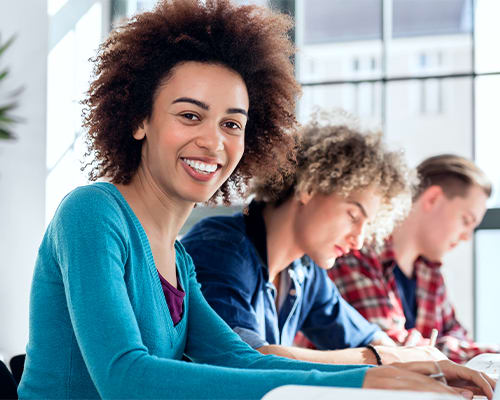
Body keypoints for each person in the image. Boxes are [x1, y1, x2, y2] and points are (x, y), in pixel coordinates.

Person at [18, 0, 495, 397]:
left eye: (232, 124)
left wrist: (386, 376)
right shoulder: (93, 213)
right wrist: (372, 378)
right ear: (139, 120)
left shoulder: (178, 258)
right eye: (189, 116)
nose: (213, 142)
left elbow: (237, 357)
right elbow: (126, 378)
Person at [183, 113, 441, 366]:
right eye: (353, 215)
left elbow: (368, 337)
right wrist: (383, 358)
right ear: (309, 187)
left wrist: (407, 355)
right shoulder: (220, 248)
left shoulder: (304, 272)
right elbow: (249, 360)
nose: (359, 241)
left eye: (368, 226)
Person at [330, 154, 500, 364]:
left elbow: (457, 334)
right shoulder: (355, 254)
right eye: (466, 221)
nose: (467, 236)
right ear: (433, 198)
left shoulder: (430, 272)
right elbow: (390, 351)